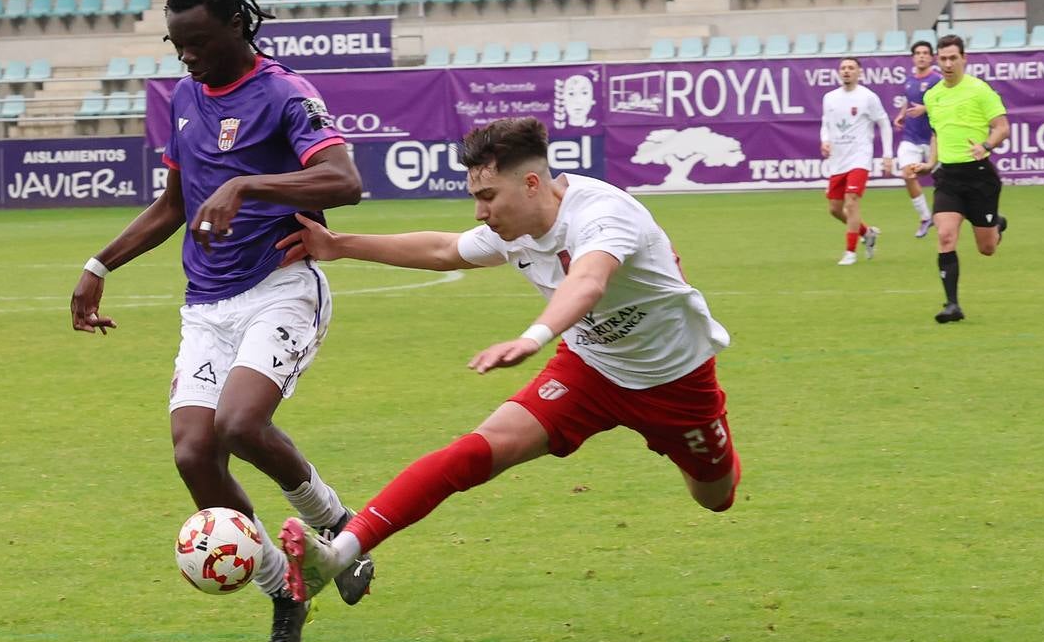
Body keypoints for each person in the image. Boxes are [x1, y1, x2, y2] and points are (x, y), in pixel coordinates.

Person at [271, 116, 742, 603]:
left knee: (715, 497)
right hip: (589, 371)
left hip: (676, 382)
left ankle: (696, 449)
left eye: (488, 196)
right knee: (474, 451)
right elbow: (444, 248)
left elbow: (588, 281)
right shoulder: (511, 229)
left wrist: (533, 337)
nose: (479, 212)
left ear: (531, 183)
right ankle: (338, 554)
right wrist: (339, 246)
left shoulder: (603, 213)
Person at [69, 0, 374, 642]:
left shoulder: (284, 93)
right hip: (206, 303)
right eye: (178, 45)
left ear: (236, 24)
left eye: (198, 42)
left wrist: (247, 184)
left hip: (280, 284)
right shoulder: (183, 97)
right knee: (193, 453)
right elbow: (173, 205)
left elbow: (345, 180)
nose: (188, 57)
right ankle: (284, 589)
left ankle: (337, 526)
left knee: (239, 424)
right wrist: (98, 266)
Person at [905, 34, 1010, 323]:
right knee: (945, 235)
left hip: (979, 177)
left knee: (986, 248)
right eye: (944, 58)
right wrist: (930, 163)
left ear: (964, 59)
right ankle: (952, 305)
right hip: (948, 177)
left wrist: (986, 146)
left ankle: (996, 224)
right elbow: (938, 133)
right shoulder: (933, 95)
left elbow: (1002, 127)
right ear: (938, 61)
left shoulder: (980, 90)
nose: (948, 63)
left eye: (954, 58)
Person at [819, 57, 893, 265]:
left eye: (851, 68)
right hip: (838, 160)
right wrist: (825, 141)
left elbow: (884, 123)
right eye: (843, 68)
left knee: (851, 200)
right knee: (835, 208)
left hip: (859, 157)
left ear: (859, 72)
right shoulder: (830, 98)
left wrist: (887, 155)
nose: (846, 71)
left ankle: (850, 252)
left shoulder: (868, 97)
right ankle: (867, 232)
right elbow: (826, 123)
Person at [892, 40, 942, 237]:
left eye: (925, 53)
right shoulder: (909, 80)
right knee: (907, 174)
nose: (921, 56)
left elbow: (945, 103)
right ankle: (925, 217)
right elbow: (908, 100)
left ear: (931, 57)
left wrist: (925, 108)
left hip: (933, 138)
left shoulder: (937, 80)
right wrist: (902, 114)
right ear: (913, 57)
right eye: (918, 53)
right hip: (911, 138)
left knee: (946, 181)